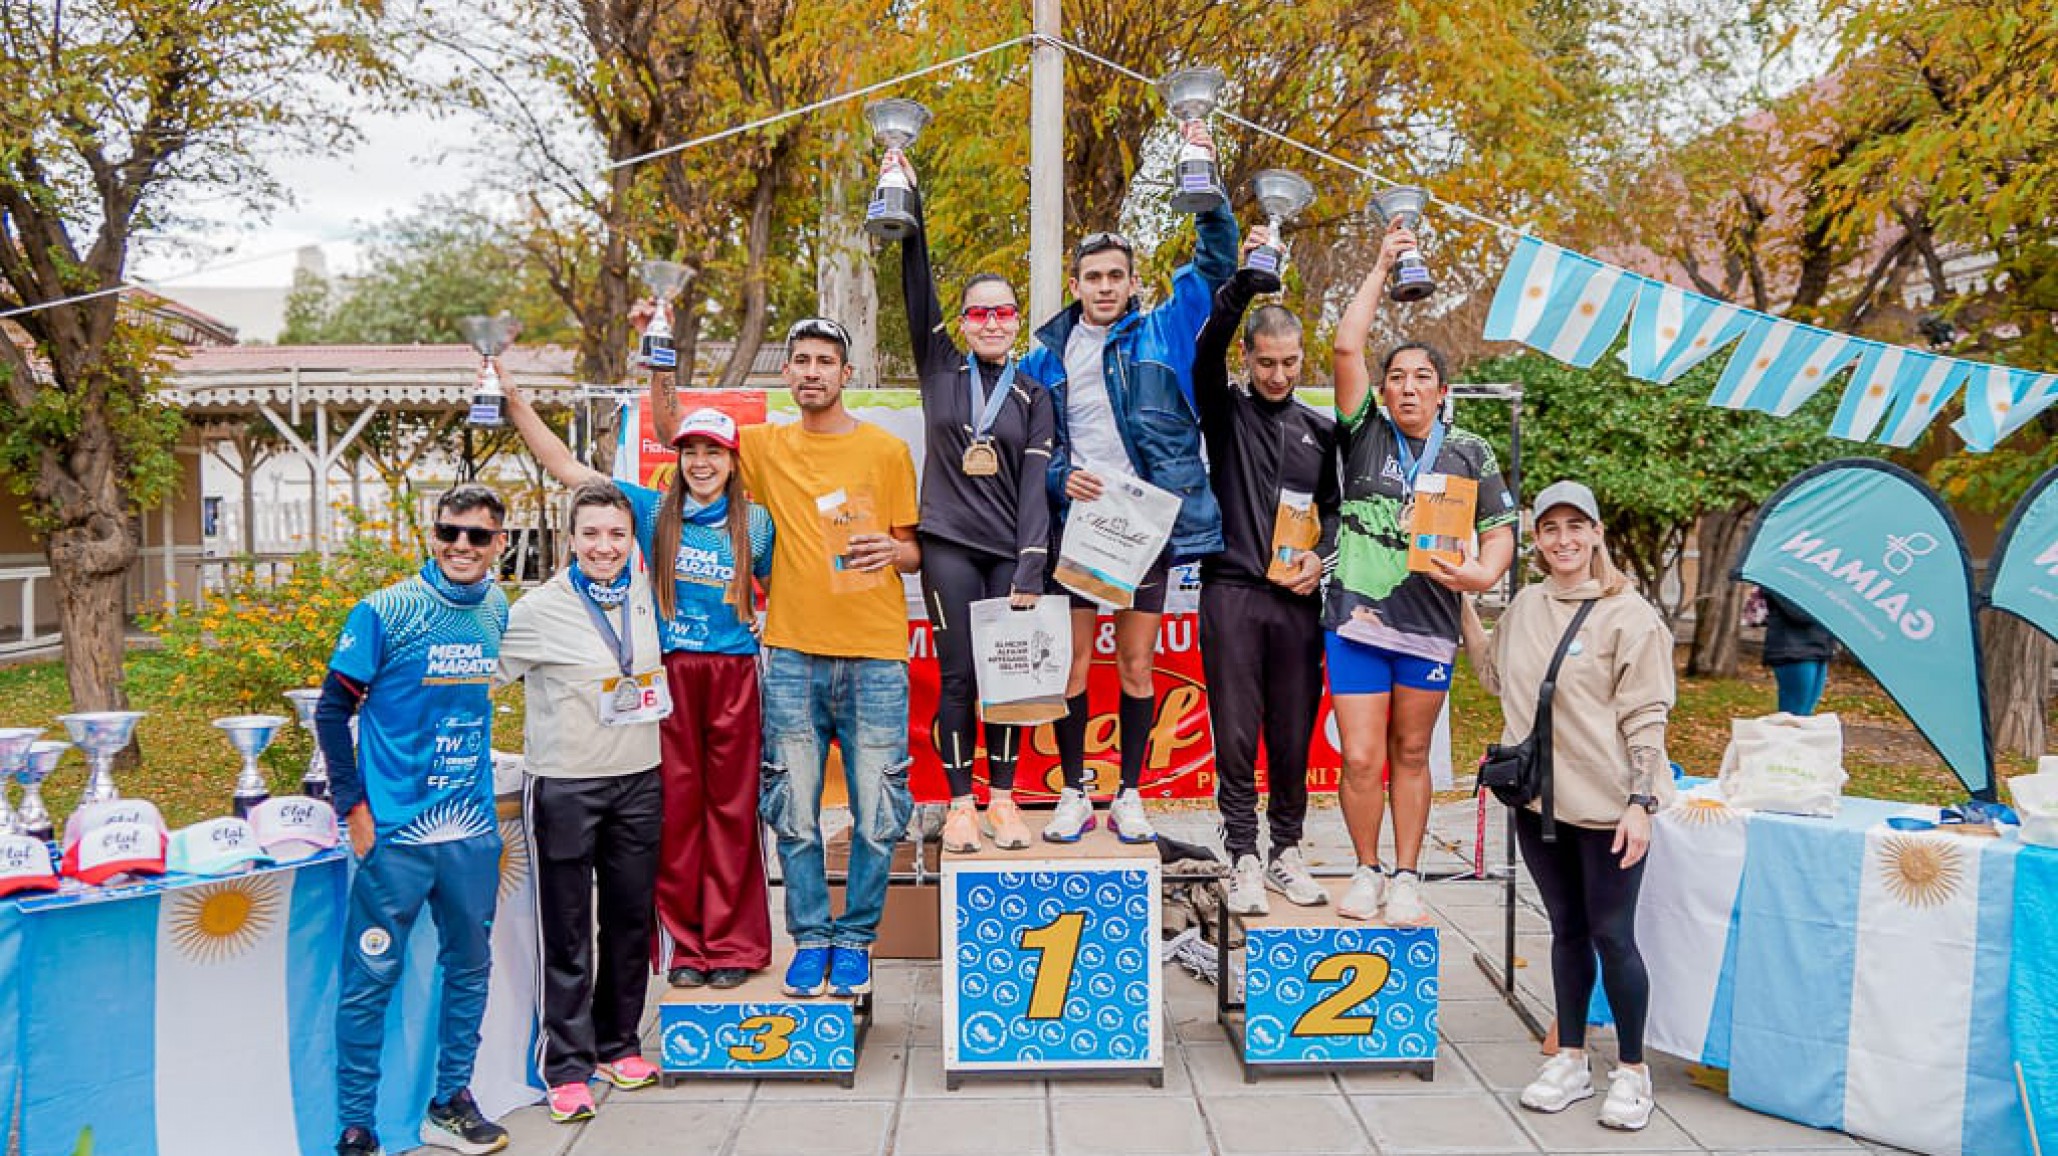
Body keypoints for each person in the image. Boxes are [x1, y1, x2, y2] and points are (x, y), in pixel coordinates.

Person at [649, 315, 920, 1001]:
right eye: (800, 359)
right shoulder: (762, 448)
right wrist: (658, 348)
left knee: (878, 813)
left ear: (845, 374)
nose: (810, 371)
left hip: (877, 656)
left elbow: (913, 547)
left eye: (824, 361)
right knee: (792, 811)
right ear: (786, 373)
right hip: (792, 655)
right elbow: (671, 430)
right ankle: (809, 939)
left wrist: (896, 552)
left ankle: (856, 940)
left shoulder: (887, 451)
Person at [503, 387, 776, 994]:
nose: (701, 462)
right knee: (676, 814)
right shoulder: (653, 512)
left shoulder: (755, 522)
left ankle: (734, 943)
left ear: (733, 460)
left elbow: (781, 587)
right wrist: (517, 401)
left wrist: (768, 615)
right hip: (669, 673)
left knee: (732, 814)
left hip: (732, 676)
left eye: (714, 451)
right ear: (676, 457)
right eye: (690, 450)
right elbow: (568, 469)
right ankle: (685, 944)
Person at [1020, 120, 1237, 843]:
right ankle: (1077, 792)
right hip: (1079, 528)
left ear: (1133, 281)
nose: (1105, 287)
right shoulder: (1042, 357)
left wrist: (1204, 182)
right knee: (1075, 663)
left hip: (1145, 529)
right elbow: (1029, 446)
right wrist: (1060, 477)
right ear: (1075, 285)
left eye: (1117, 276)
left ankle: (1132, 794)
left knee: (1139, 662)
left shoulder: (1164, 330)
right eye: (1093, 278)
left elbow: (1215, 264)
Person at [1460, 479, 1675, 1132]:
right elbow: (1494, 676)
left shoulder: (1629, 614)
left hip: (1610, 806)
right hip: (1540, 804)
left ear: (1596, 534)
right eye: (1550, 528)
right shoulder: (1526, 604)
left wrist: (1640, 801)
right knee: (1565, 931)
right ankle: (1573, 1058)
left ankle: (1633, 1071)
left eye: (1575, 527)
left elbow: (1647, 714)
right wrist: (1461, 602)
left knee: (1613, 936)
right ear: (1538, 540)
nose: (1563, 540)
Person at [1328, 221, 1517, 925]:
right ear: (1382, 391)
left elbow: (1499, 531)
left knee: (1412, 753)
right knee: (1360, 758)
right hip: (1354, 620)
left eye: (1422, 379)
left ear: (1443, 393)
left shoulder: (1468, 449)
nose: (1408, 388)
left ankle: (1407, 876)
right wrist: (1381, 264)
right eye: (1397, 378)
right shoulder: (1363, 432)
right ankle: (1365, 870)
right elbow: (1347, 344)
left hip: (1431, 623)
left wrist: (1478, 576)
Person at [318, 484, 512, 1156]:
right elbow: (328, 711)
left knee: (469, 968)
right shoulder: (386, 610)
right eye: (449, 532)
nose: (461, 546)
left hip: (470, 831)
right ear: (433, 536)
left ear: (500, 544)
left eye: (477, 536)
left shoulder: (496, 607)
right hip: (396, 832)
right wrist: (354, 808)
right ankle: (355, 1123)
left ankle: (450, 1101)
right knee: (371, 977)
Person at [893, 154, 1055, 853]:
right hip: (949, 548)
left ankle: (1004, 799)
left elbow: (1033, 487)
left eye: (1003, 311)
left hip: (1008, 558)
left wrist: (1030, 567)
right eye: (978, 311)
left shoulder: (1032, 393)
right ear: (962, 321)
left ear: (1018, 322)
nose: (990, 321)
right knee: (957, 675)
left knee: (1011, 683)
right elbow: (915, 284)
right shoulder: (939, 369)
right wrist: (908, 198)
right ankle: (959, 802)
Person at [496, 481, 666, 1123]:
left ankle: (618, 1043)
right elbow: (484, 675)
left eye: (617, 535)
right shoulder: (538, 609)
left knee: (627, 922)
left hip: (639, 778)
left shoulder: (649, 596)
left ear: (631, 542)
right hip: (566, 783)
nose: (604, 547)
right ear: (570, 539)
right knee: (565, 930)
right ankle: (565, 1064)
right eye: (591, 535)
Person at [1190, 226, 1338, 915]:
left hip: (1297, 601)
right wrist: (1246, 283)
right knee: (1237, 729)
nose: (1278, 375)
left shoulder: (1321, 428)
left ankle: (1287, 849)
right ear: (1246, 359)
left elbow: (1338, 510)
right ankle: (1242, 851)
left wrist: (1321, 557)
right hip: (1231, 593)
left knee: (1290, 731)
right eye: (1266, 362)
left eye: (1289, 362)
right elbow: (1204, 347)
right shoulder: (1226, 411)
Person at [1761, 589, 1833, 715]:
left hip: (1820, 649)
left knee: (1805, 715)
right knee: (1793, 716)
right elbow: (1799, 614)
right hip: (1792, 651)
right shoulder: (1782, 577)